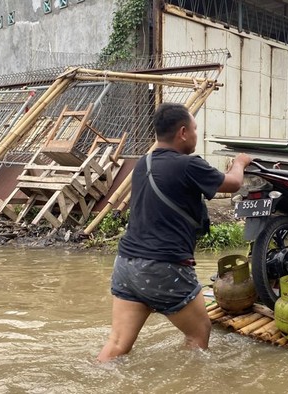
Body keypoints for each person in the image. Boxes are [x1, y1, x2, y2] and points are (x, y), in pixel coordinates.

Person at [97, 103, 252, 362]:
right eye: (194, 129)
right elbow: (234, 183)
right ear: (182, 132)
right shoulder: (189, 165)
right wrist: (240, 161)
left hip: (127, 266)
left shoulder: (142, 164)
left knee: (117, 344)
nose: (195, 134)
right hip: (165, 267)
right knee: (199, 333)